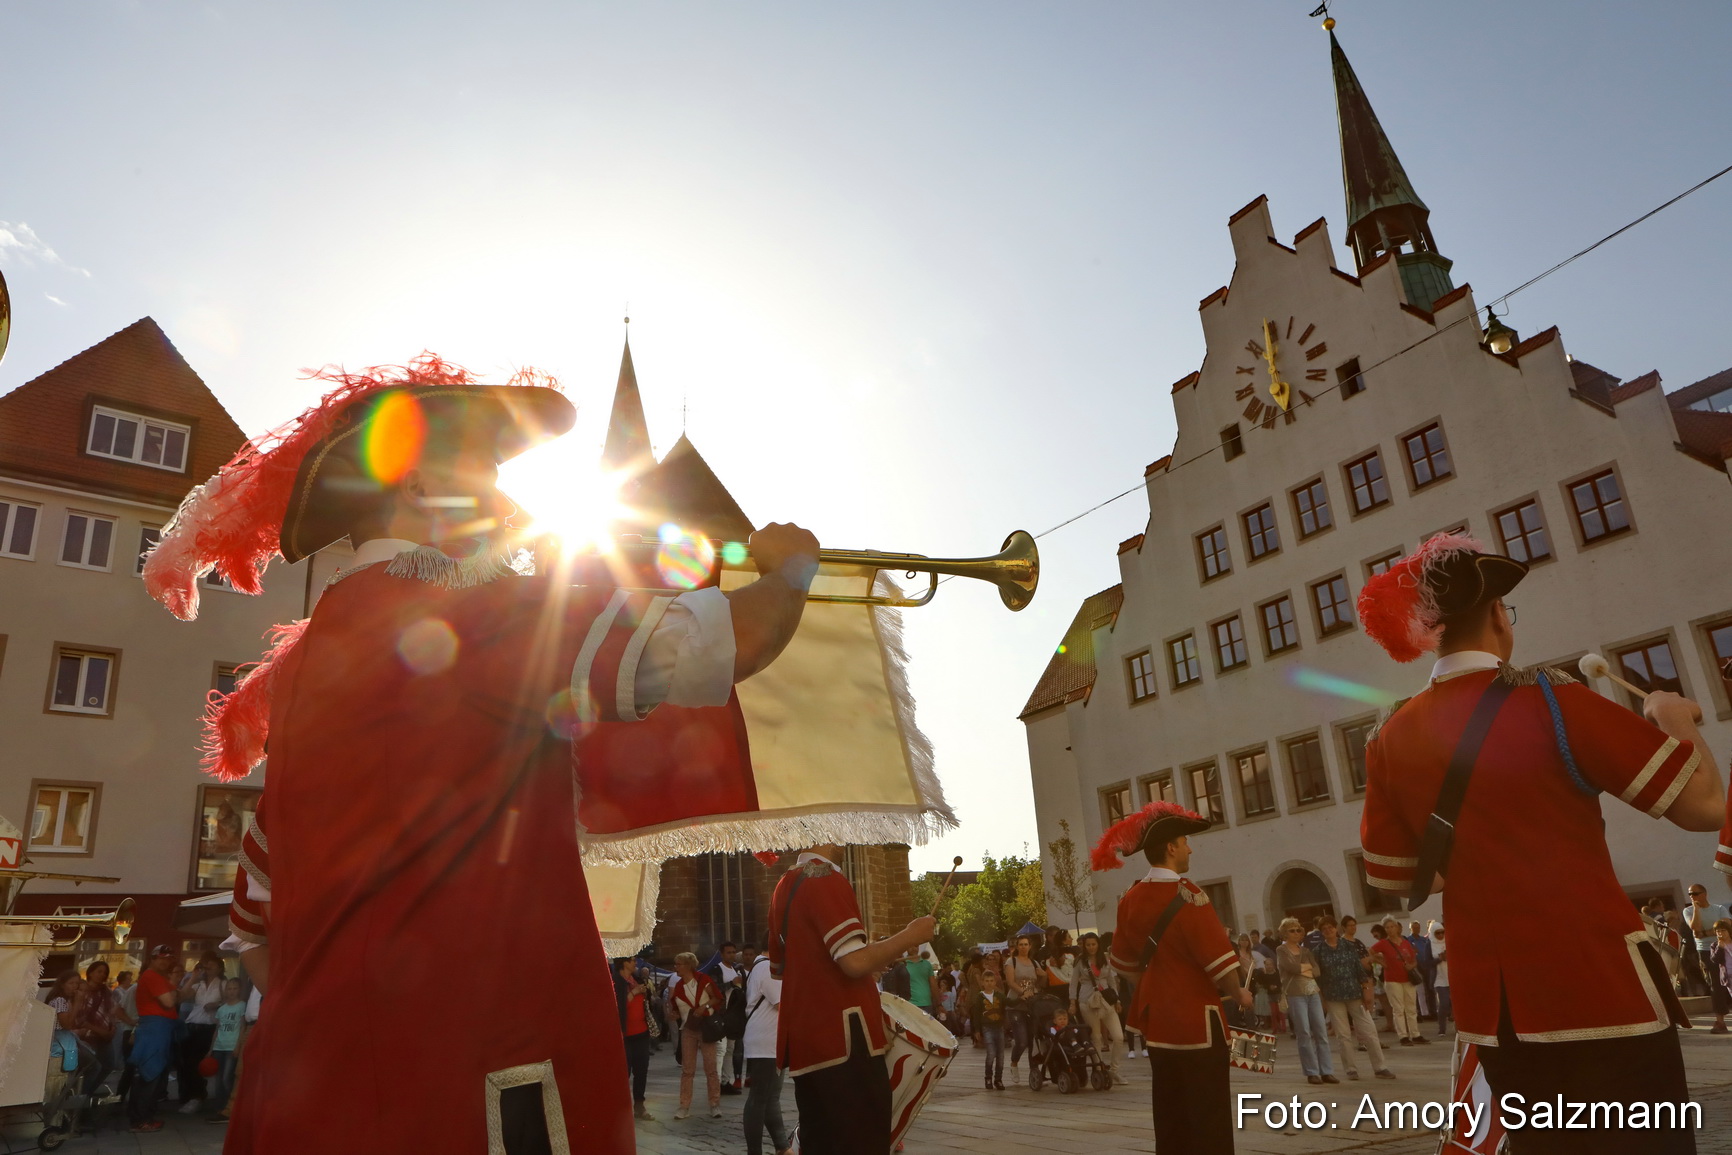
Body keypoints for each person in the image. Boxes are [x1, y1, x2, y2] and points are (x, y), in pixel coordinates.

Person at [144, 359, 825, 1154]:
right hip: (470, 1098)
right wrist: (792, 572)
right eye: (486, 472)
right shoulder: (484, 610)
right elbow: (717, 645)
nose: (511, 502)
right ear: (420, 488)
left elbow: (252, 919)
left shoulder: (297, 674)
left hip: (305, 1098)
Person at [1358, 533, 1723, 1155]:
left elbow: (1397, 881)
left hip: (1494, 1012)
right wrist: (1677, 721)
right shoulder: (1552, 699)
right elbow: (1704, 808)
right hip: (1601, 988)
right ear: (1499, 615)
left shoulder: (1389, 735)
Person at [1098, 802, 1252, 1154]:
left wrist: (1155, 987)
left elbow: (1122, 962)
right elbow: (1220, 963)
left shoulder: (1130, 899)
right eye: (1185, 842)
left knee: (1169, 1112)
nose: (1189, 848)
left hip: (1158, 1024)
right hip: (1198, 1022)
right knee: (1208, 1112)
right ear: (1170, 848)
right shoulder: (1190, 896)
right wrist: (1240, 993)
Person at [767, 843, 935, 1155]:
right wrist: (911, 935)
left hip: (807, 1042)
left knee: (822, 1144)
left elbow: (783, 969)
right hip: (843, 1040)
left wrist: (870, 959)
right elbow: (853, 962)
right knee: (862, 1142)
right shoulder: (825, 878)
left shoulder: (783, 886)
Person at [1314, 915, 1393, 1081]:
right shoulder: (1319, 951)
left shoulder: (1348, 946)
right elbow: (1318, 978)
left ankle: (1380, 1067)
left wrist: (1366, 989)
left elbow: (1359, 968)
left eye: (1331, 927)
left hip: (1355, 994)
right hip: (1333, 996)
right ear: (1322, 932)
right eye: (1324, 929)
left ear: (1336, 929)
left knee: (1369, 1030)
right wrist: (1322, 999)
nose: (1328, 930)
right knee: (1343, 1035)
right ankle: (1350, 1068)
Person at [741, 936, 792, 1155]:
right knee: (759, 1098)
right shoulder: (767, 969)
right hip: (765, 1042)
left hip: (771, 1042)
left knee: (770, 1098)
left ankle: (782, 1147)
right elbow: (784, 1005)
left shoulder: (766, 967)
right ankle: (755, 1152)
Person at [1275, 916, 1335, 1085]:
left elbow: (1316, 971)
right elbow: (1291, 967)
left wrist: (1304, 969)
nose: (1296, 933)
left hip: (1313, 992)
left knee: (1321, 1032)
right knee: (1304, 1033)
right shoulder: (1282, 950)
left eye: (1298, 930)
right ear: (1284, 933)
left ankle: (1327, 1071)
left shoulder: (1306, 951)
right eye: (1291, 930)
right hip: (1295, 994)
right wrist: (1305, 968)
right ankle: (1311, 1071)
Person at [128, 944, 180, 1134]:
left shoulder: (155, 977)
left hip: (157, 1031)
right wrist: (174, 984)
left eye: (169, 958)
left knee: (152, 1077)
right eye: (162, 958)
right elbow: (169, 1002)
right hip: (154, 1032)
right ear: (153, 958)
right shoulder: (152, 977)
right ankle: (140, 1120)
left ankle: (143, 1117)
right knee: (149, 1075)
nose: (166, 961)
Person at [668, 952, 723, 1121]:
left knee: (711, 1068)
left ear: (688, 966)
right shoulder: (678, 986)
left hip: (705, 1027)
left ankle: (714, 1104)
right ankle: (684, 1105)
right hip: (688, 1029)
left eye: (679, 964)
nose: (676, 967)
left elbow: (717, 998)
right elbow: (676, 1008)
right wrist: (674, 1014)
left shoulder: (703, 980)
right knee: (687, 1070)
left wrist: (703, 1006)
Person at [1068, 932, 1125, 1085]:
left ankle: (1114, 1070)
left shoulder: (1105, 959)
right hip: (1087, 1000)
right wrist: (1072, 1002)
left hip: (1106, 1000)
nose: (1091, 947)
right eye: (1088, 945)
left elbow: (1111, 981)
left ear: (1098, 944)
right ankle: (1099, 1070)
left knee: (1118, 1037)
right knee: (1096, 1037)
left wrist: (1117, 999)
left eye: (1094, 944)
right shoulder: (1080, 961)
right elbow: (1073, 983)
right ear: (1084, 946)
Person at [177, 953, 225, 1113]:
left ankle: (197, 1096)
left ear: (219, 968)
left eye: (211, 963)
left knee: (198, 1062)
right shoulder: (199, 985)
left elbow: (230, 1001)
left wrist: (216, 1004)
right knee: (186, 1062)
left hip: (209, 1027)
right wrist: (193, 977)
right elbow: (181, 996)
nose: (208, 966)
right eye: (206, 963)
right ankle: (193, 1095)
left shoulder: (223, 984)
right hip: (192, 1025)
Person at [1371, 918, 1423, 1046]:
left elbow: (1414, 959)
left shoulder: (1405, 943)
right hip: (1393, 979)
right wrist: (1382, 962)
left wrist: (1412, 966)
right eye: (1387, 927)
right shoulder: (1383, 943)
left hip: (1407, 979)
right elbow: (1370, 952)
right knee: (1398, 1009)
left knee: (1411, 1008)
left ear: (1397, 928)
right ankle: (1403, 1036)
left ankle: (1415, 1034)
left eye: (1392, 926)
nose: (1390, 929)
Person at [614, 957, 654, 1121]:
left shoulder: (637, 979)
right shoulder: (615, 982)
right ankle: (621, 1107)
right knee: (625, 1072)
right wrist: (634, 992)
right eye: (632, 961)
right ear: (624, 963)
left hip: (641, 1033)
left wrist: (646, 992)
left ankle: (639, 1105)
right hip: (624, 1035)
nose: (635, 963)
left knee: (641, 1071)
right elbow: (616, 1005)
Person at [705, 942, 747, 1095]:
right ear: (722, 954)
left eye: (734, 952)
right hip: (721, 1014)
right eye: (728, 952)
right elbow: (713, 991)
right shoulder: (716, 969)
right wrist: (731, 983)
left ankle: (726, 1081)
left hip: (734, 1015)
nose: (731, 955)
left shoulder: (738, 969)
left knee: (730, 1049)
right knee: (720, 1050)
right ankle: (714, 1083)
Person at [205, 978, 249, 1120]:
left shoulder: (242, 1006)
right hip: (219, 1046)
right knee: (219, 1078)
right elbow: (217, 1029)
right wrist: (211, 1049)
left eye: (234, 988)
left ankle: (230, 1106)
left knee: (227, 1077)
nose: (231, 991)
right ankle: (219, 1106)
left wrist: (238, 1046)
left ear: (239, 990)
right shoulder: (222, 1009)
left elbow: (243, 1027)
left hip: (231, 1046)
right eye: (229, 989)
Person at [72, 960, 117, 1096]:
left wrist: (112, 1026)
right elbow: (80, 1015)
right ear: (90, 973)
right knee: (91, 1067)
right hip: (88, 1034)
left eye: (104, 973)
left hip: (105, 1034)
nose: (101, 975)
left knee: (108, 1064)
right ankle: (81, 1095)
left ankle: (87, 1092)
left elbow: (111, 1010)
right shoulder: (83, 990)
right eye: (99, 971)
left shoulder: (106, 992)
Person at [1683, 884, 1729, 1016]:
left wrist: (1704, 933)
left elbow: (1726, 926)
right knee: (1715, 985)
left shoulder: (1719, 909)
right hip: (1705, 951)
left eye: (1695, 894)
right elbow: (1695, 928)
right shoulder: (1689, 911)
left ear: (1704, 894)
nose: (1692, 896)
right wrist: (1697, 909)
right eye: (1690, 894)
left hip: (1724, 947)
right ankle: (1720, 1019)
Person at [1001, 935, 1039, 1086]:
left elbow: (1039, 982)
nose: (1023, 947)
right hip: (1016, 1005)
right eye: (1021, 944)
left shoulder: (1034, 962)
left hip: (1032, 1005)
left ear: (1030, 946)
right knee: (1022, 1040)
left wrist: (1042, 977)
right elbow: (1010, 982)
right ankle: (1014, 1063)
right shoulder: (1011, 961)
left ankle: (1034, 1071)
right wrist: (1022, 993)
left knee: (1033, 1039)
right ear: (1017, 947)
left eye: (1026, 944)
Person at [971, 969, 1007, 1090]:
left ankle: (998, 1079)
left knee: (1001, 1055)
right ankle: (988, 1077)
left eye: (991, 981)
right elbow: (976, 1014)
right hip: (987, 1027)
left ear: (995, 981)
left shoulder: (999, 995)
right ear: (982, 982)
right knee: (991, 1053)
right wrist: (976, 1030)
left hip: (999, 1026)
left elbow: (1008, 1004)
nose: (989, 983)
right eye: (987, 981)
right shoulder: (980, 997)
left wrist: (1022, 997)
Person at [1430, 923, 1453, 1037]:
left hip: (1452, 977)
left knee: (1455, 1005)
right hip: (1440, 979)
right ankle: (1442, 1029)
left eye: (1442, 932)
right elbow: (1427, 963)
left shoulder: (1449, 941)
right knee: (1443, 1004)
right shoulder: (1430, 944)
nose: (1440, 935)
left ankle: (1459, 1029)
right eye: (1437, 933)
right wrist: (1440, 958)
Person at [1710, 920, 1732, 1035]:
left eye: (1723, 931)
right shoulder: (1715, 945)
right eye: (1718, 931)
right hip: (1728, 976)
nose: (1720, 933)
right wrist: (1720, 948)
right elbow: (1715, 960)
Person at [903, 947, 936, 1017]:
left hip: (927, 1005)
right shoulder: (902, 964)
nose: (913, 948)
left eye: (916, 946)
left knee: (928, 1027)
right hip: (910, 1005)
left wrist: (939, 1004)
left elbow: (933, 985)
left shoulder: (927, 964)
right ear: (906, 947)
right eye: (910, 946)